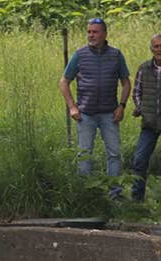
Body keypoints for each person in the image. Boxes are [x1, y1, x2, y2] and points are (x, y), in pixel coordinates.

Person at [59, 17, 131, 198]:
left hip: (110, 113)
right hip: (86, 114)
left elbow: (126, 82)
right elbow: (64, 81)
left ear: (105, 34)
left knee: (114, 154)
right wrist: (72, 107)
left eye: (95, 32)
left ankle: (115, 195)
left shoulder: (116, 55)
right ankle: (86, 196)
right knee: (84, 155)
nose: (91, 35)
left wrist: (122, 106)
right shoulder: (79, 55)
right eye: (89, 32)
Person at [131, 34, 161, 202]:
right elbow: (136, 92)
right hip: (149, 123)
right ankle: (136, 201)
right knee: (139, 160)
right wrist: (140, 108)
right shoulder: (144, 68)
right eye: (156, 46)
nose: (159, 49)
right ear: (151, 49)